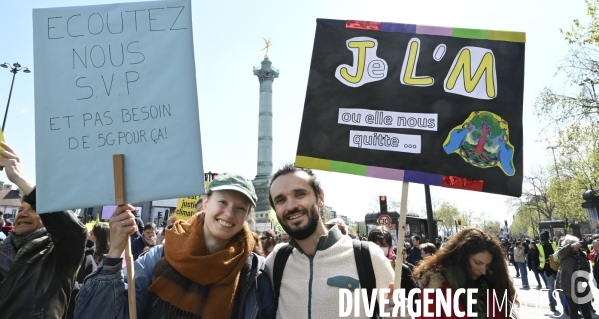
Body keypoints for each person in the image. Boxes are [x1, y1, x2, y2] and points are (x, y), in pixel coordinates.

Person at [75, 173, 276, 318]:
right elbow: (98, 312)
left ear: (247, 216)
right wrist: (114, 253)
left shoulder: (255, 274)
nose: (229, 213)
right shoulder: (162, 255)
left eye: (240, 208)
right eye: (222, 202)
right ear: (206, 203)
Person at [266, 164, 402, 318]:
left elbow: (398, 311)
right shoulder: (276, 261)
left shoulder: (368, 256)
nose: (290, 206)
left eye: (299, 194)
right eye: (280, 200)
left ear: (320, 198)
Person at [0, 142, 88, 317]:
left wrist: (19, 178)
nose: (23, 214)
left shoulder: (59, 256)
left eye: (33, 209)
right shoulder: (3, 250)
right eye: (20, 210)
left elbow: (73, 232)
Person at [412, 227, 517, 318]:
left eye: (487, 265)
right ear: (461, 257)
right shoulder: (435, 287)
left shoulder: (492, 284)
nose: (483, 271)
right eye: (477, 263)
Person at [556, 235, 593, 319]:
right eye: (575, 244)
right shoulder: (564, 255)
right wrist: (571, 245)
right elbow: (560, 253)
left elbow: (587, 268)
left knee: (585, 306)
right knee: (573, 307)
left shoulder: (581, 254)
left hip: (581, 284)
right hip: (568, 284)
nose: (578, 245)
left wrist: (584, 276)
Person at [538, 230, 559, 312]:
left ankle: (566, 306)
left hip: (557, 268)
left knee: (561, 288)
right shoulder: (539, 246)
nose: (541, 238)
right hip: (547, 270)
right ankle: (552, 305)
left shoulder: (554, 244)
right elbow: (535, 257)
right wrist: (539, 267)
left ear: (547, 237)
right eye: (540, 237)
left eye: (543, 237)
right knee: (551, 288)